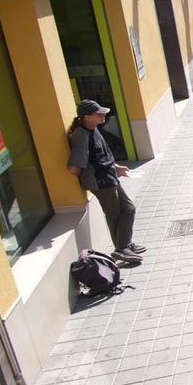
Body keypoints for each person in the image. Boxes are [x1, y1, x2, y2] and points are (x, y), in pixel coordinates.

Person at [67, 100, 144, 263]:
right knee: (114, 213)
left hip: (109, 176)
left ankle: (124, 244)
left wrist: (116, 167)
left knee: (128, 209)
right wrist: (90, 174)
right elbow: (75, 167)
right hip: (100, 181)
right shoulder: (81, 135)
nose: (103, 115)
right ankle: (122, 248)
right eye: (99, 114)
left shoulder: (93, 129)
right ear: (87, 117)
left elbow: (101, 155)